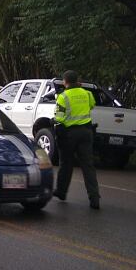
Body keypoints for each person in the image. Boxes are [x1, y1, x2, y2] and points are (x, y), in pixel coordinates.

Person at [53, 70, 100, 209]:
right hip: (86, 132)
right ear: (77, 81)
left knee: (66, 164)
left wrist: (53, 120)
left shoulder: (63, 96)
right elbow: (92, 105)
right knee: (88, 166)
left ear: (65, 81)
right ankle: (94, 198)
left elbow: (59, 118)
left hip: (69, 135)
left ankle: (61, 192)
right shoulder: (87, 93)